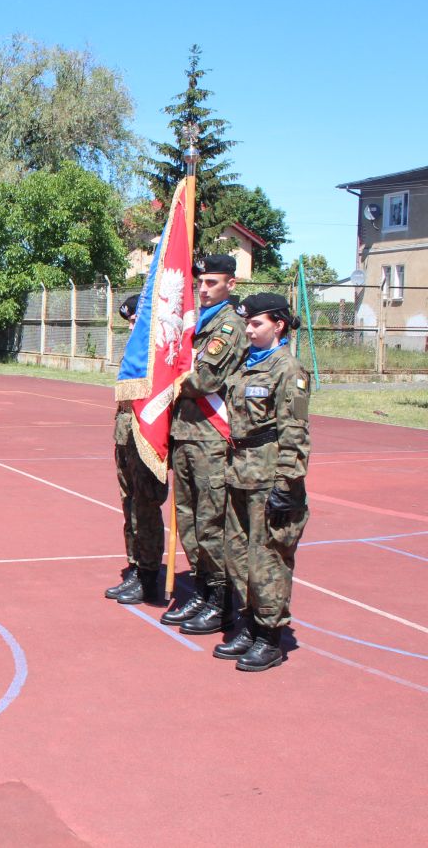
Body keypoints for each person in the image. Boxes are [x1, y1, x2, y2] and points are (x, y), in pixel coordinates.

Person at [215, 293, 310, 672]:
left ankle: (270, 636)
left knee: (267, 557)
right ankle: (250, 624)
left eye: (257, 323)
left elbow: (296, 431)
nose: (249, 330)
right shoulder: (245, 365)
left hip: (269, 476)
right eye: (247, 323)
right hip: (239, 472)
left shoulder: (290, 371)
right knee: (237, 554)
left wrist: (287, 484)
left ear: (278, 325)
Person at [163, 254, 250, 634]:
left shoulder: (229, 326)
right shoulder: (198, 324)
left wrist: (167, 376)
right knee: (187, 519)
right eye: (200, 283)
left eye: (211, 283)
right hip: (186, 433)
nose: (203, 289)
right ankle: (201, 589)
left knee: (211, 523)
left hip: (211, 438)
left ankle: (221, 600)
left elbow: (204, 380)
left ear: (231, 284)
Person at [105, 294, 169, 605]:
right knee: (130, 508)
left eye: (135, 320)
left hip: (145, 440)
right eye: (130, 322)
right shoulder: (135, 352)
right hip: (125, 438)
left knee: (145, 509)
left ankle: (148, 573)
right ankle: (134, 566)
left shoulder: (158, 355)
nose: (132, 326)